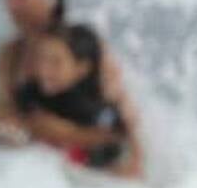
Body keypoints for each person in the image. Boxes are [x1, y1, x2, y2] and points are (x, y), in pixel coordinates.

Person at [0, 0, 143, 177]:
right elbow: (4, 112)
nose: (10, 5)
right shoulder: (11, 54)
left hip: (94, 165)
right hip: (47, 166)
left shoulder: (81, 47)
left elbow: (125, 123)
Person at [16, 24, 134, 174]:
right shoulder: (30, 92)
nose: (44, 70)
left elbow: (119, 145)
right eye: (42, 60)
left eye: (55, 62)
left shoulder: (97, 108)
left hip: (94, 183)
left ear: (81, 68)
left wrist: (70, 134)